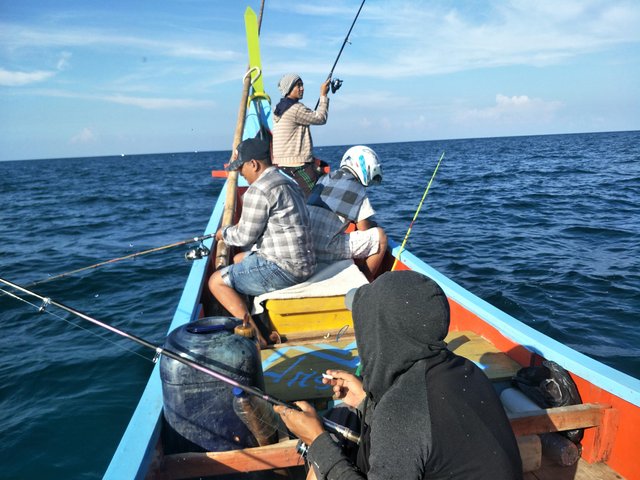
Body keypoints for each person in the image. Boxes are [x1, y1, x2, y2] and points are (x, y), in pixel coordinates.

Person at [275, 271, 523, 479]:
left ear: (381, 332)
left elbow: (408, 421)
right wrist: (367, 401)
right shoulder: (466, 370)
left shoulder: (402, 409)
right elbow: (426, 431)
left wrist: (316, 440)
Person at [208, 137, 316, 347]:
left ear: (254, 164)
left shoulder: (258, 190)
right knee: (239, 258)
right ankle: (260, 320)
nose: (241, 174)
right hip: (306, 263)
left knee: (216, 282)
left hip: (285, 268)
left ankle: (257, 338)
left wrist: (223, 233)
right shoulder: (289, 182)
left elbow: (244, 237)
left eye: (242, 169)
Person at [306, 146, 387, 280]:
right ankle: (365, 283)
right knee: (380, 236)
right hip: (326, 249)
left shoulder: (324, 179)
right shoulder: (358, 189)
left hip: (306, 246)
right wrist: (373, 225)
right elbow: (364, 229)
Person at [272, 73, 331, 195]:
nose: (302, 88)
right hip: (297, 167)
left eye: (302, 85)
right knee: (315, 200)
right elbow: (321, 118)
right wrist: (323, 95)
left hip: (282, 166)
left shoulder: (278, 108)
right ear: (289, 89)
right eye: (298, 86)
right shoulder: (296, 109)